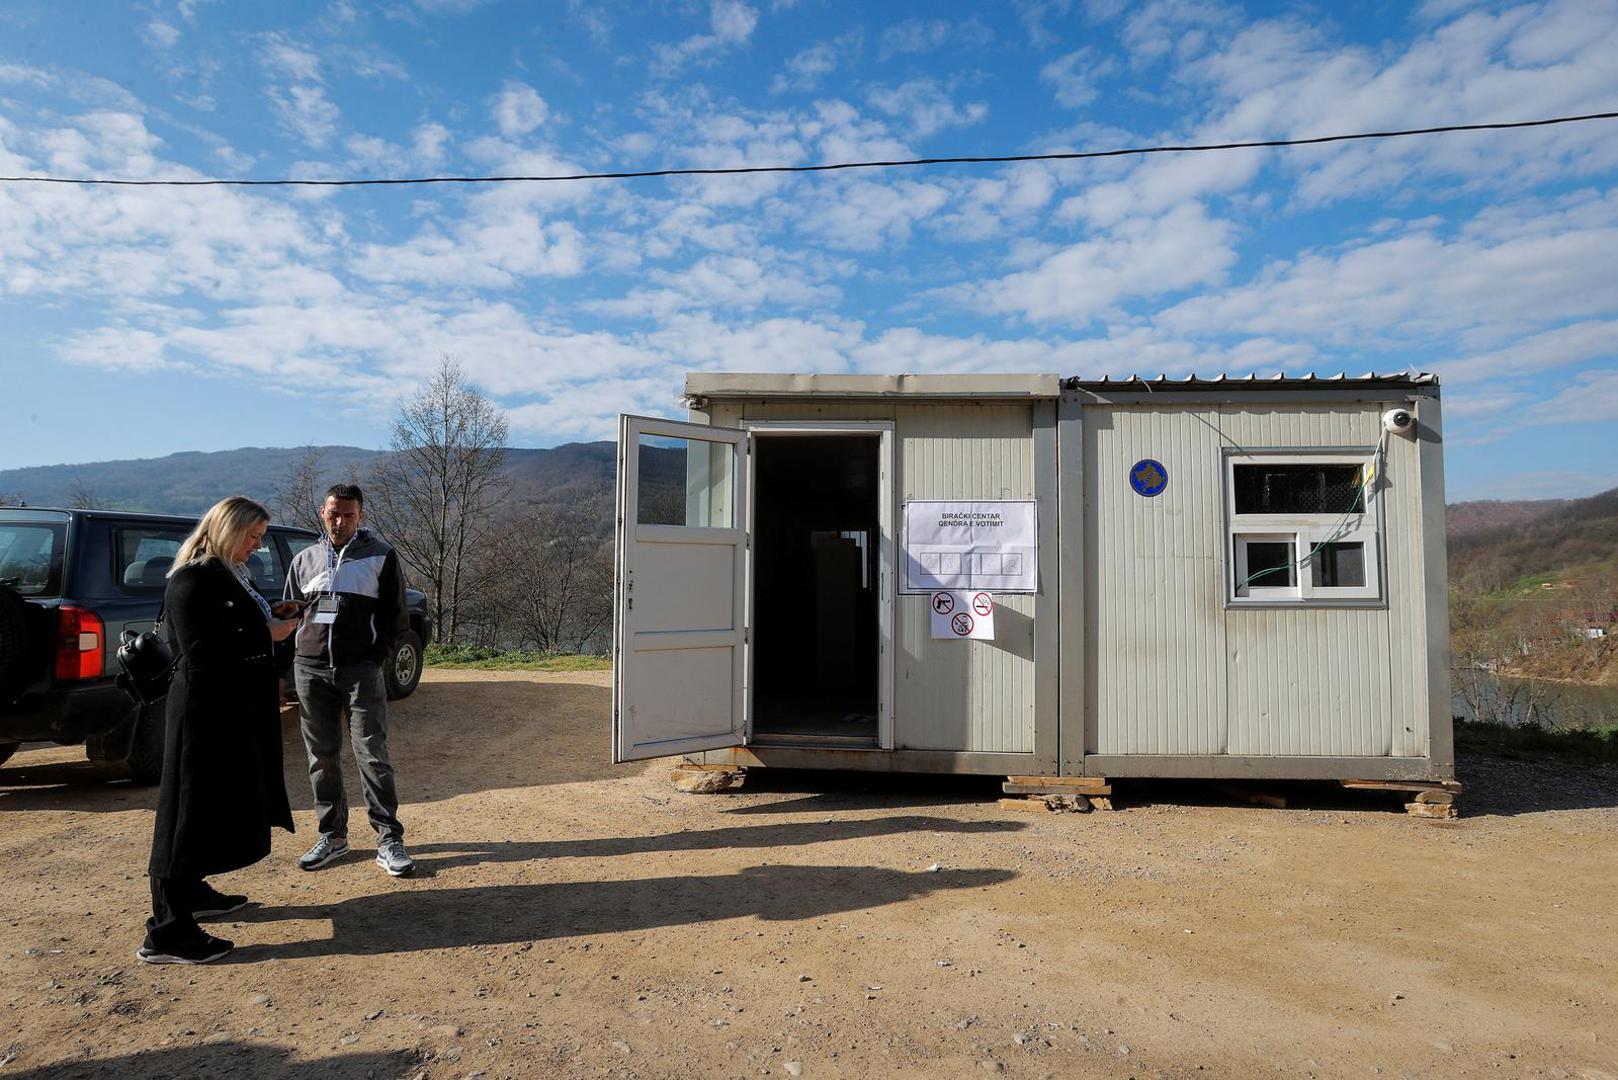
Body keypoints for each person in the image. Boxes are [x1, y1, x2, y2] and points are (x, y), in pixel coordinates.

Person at [141, 496, 298, 965]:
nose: (256, 547)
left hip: (231, 709)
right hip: (203, 713)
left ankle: (192, 889)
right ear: (227, 530)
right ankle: (167, 932)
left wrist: (271, 615)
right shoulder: (191, 579)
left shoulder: (231, 573)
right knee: (184, 813)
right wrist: (265, 634)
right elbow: (203, 650)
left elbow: (236, 621)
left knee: (210, 806)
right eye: (252, 537)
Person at [285, 484, 414, 877]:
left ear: (360, 516)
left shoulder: (381, 556)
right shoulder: (304, 559)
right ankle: (332, 835)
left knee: (372, 752)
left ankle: (389, 838)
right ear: (322, 513)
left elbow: (396, 617)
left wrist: (375, 657)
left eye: (348, 515)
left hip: (360, 670)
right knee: (320, 756)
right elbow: (292, 614)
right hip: (310, 669)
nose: (339, 521)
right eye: (333, 513)